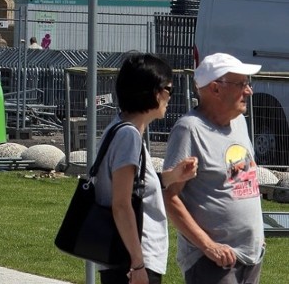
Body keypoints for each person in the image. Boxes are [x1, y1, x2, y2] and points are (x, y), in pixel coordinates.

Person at [93, 53, 198, 284]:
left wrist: (172, 176)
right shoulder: (128, 136)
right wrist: (138, 263)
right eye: (168, 89)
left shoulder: (119, 129)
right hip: (131, 262)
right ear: (153, 92)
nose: (170, 97)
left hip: (124, 259)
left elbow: (133, 188)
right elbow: (121, 204)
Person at [164, 52, 265, 284]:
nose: (248, 90)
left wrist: (256, 234)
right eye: (241, 84)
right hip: (213, 262)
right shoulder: (189, 130)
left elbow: (243, 179)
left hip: (251, 256)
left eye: (248, 84)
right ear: (215, 89)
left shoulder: (239, 122)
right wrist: (208, 246)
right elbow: (169, 196)